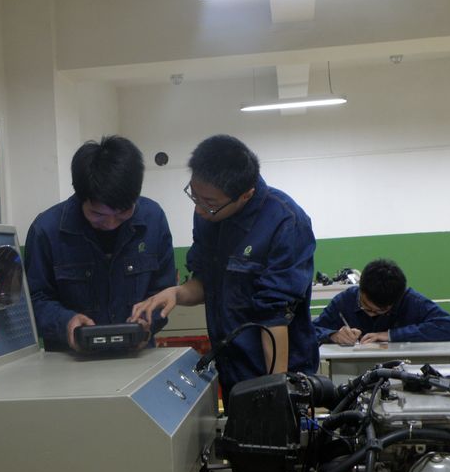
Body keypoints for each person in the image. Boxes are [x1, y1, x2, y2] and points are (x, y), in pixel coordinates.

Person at [131, 134, 318, 408]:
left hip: (279, 369)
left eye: (208, 202)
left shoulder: (286, 222)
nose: (199, 209)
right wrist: (176, 293)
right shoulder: (210, 214)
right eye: (194, 195)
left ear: (245, 195)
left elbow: (274, 318)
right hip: (232, 367)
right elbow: (206, 283)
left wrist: (276, 392)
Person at [24, 135, 176, 351]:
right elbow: (34, 300)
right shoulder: (46, 230)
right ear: (80, 196)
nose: (111, 224)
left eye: (123, 212)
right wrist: (66, 322)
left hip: (136, 357)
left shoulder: (153, 219)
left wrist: (147, 324)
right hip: (70, 362)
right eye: (98, 214)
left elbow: (163, 291)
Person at [313, 258, 450, 345]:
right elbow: (311, 330)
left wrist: (390, 335)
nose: (372, 314)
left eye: (381, 311)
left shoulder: (410, 300)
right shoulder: (345, 300)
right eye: (366, 307)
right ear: (360, 289)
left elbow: (449, 328)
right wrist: (333, 335)